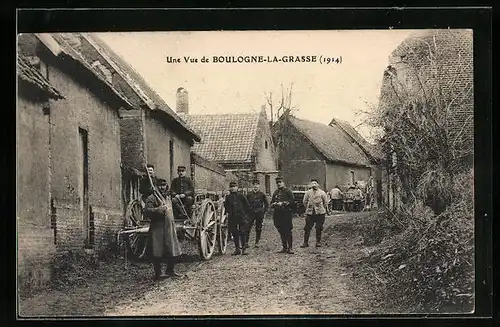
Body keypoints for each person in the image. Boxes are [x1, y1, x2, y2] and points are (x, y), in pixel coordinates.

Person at [143, 178, 182, 280]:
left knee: (172, 249)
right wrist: (157, 210)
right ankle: (158, 273)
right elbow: (146, 211)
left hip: (169, 227)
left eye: (164, 185)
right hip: (158, 228)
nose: (162, 187)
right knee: (157, 250)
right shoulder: (152, 198)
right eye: (160, 185)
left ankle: (170, 270)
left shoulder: (168, 197)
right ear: (156, 186)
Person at [224, 181, 251, 255]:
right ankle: (237, 249)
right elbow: (226, 206)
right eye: (231, 187)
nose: (233, 188)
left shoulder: (241, 196)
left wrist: (246, 216)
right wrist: (228, 212)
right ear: (230, 188)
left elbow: (247, 206)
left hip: (241, 217)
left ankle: (244, 249)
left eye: (234, 186)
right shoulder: (228, 197)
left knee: (242, 232)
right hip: (232, 217)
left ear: (237, 187)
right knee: (234, 233)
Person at [270, 176, 296, 254]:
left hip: (286, 213)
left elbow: (292, 201)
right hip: (278, 214)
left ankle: (290, 248)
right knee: (281, 230)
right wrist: (274, 204)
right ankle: (284, 247)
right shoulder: (275, 192)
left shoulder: (288, 191)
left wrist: (284, 203)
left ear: (283, 182)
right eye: (277, 183)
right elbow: (271, 202)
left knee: (288, 230)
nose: (278, 184)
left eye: (280, 182)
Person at [301, 179, 329, 248]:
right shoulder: (308, 192)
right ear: (310, 185)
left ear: (318, 184)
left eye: (315, 183)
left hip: (320, 213)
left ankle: (318, 242)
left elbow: (325, 202)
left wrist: (321, 208)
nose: (314, 185)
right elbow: (304, 201)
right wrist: (308, 208)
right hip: (310, 213)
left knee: (319, 227)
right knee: (307, 228)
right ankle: (305, 242)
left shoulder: (322, 192)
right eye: (312, 184)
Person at [245, 180, 269, 248]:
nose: (255, 186)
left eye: (257, 184)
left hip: (259, 213)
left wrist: (263, 211)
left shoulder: (262, 194)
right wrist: (247, 212)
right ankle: (246, 242)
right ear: (252, 186)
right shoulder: (249, 194)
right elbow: (245, 204)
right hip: (251, 213)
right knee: (248, 227)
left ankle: (257, 242)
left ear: (259, 186)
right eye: (254, 184)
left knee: (258, 228)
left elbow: (266, 204)